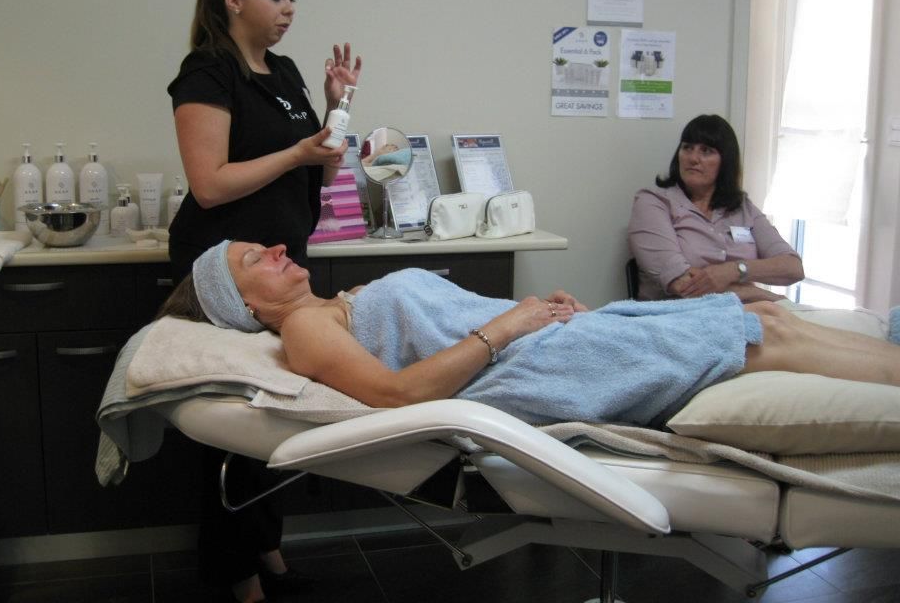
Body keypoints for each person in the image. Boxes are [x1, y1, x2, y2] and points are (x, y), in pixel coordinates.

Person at [157, 240, 900, 433]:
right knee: (759, 335)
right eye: (256, 261)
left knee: (765, 318)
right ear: (248, 309)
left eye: (265, 245)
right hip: (532, 366)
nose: (277, 252)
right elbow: (397, 394)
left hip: (545, 337)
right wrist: (509, 324)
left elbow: (450, 318)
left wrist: (533, 305)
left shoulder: (337, 303)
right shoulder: (308, 332)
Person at [166, 0, 361, 603]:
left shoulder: (283, 72)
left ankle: (269, 551)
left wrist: (336, 106)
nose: (289, 10)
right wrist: (294, 152)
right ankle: (237, 576)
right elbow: (210, 184)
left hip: (283, 265)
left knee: (276, 412)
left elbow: (321, 167)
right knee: (233, 423)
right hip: (230, 270)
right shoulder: (209, 71)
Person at [628, 114, 804, 302]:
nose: (693, 158)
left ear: (725, 161)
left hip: (747, 315)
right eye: (687, 148)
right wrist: (761, 295)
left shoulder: (742, 208)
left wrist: (734, 270)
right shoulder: (653, 202)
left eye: (706, 151)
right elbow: (684, 284)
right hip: (678, 318)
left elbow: (793, 268)